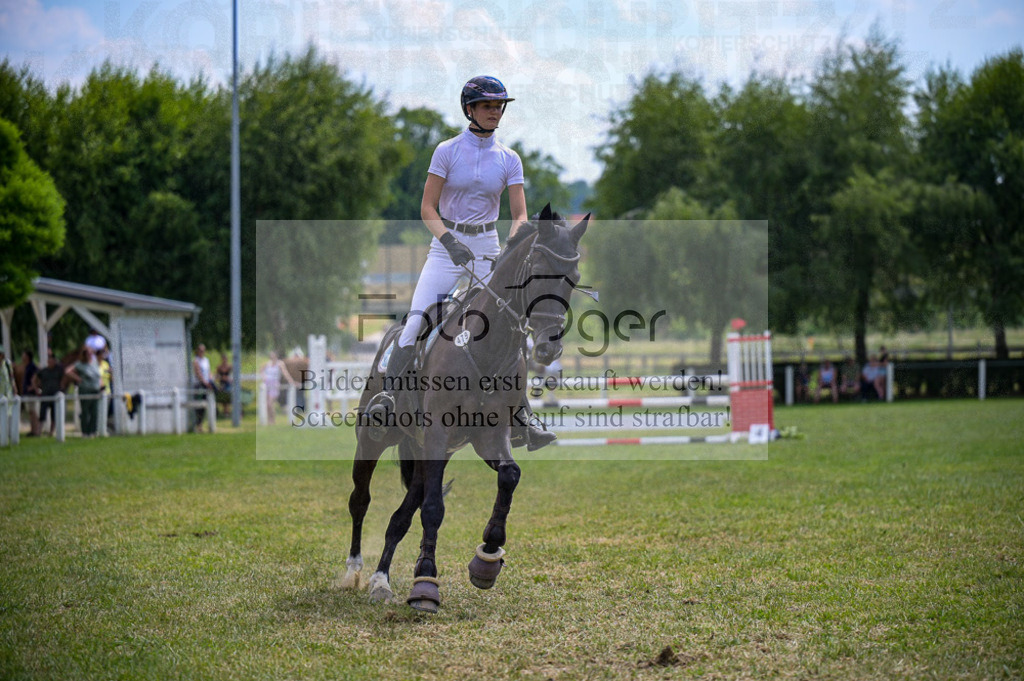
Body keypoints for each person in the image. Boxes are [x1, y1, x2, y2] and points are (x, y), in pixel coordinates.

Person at [364, 75, 554, 450]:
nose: (495, 112)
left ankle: (523, 417)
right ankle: (387, 399)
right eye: (487, 106)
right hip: (445, 246)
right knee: (416, 322)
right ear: (470, 109)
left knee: (512, 327)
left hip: (488, 246)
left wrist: (511, 246)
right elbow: (427, 208)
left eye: (499, 106)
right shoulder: (446, 151)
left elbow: (519, 213)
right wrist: (449, 241)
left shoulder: (509, 158)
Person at [65, 346, 101, 437]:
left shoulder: (95, 363)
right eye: (88, 353)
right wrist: (78, 378)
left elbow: (98, 376)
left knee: (94, 412)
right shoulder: (80, 364)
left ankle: (92, 432)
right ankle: (85, 432)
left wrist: (101, 385)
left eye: (91, 353)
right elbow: (67, 371)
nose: (90, 355)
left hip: (95, 390)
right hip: (85, 390)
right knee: (85, 412)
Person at [32, 350, 64, 436]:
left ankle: (51, 432)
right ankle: (39, 431)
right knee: (42, 414)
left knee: (54, 415)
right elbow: (34, 379)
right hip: (45, 395)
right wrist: (36, 389)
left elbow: (63, 378)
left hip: (55, 396)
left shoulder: (58, 370)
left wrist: (62, 388)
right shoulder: (44, 371)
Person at [261, 351, 296, 425]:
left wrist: (291, 381)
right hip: (267, 385)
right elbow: (261, 370)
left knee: (270, 403)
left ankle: (272, 420)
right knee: (268, 404)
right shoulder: (267, 364)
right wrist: (263, 376)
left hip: (274, 385)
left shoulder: (280, 364)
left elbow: (285, 373)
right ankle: (270, 420)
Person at [192, 344, 216, 432]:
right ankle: (198, 424)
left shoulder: (206, 360)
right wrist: (205, 383)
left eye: (203, 350)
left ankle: (201, 424)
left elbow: (209, 372)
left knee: (205, 405)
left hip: (206, 384)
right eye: (200, 350)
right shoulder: (196, 360)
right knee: (199, 405)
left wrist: (210, 379)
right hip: (199, 385)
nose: (202, 352)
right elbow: (198, 373)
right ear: (197, 351)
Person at [20, 350, 40, 435]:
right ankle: (32, 430)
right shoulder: (27, 366)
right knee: (30, 412)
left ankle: (36, 430)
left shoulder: (32, 367)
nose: (22, 357)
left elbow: (38, 377)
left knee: (33, 412)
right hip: (27, 393)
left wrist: (32, 387)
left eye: (23, 355)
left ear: (27, 357)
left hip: (31, 393)